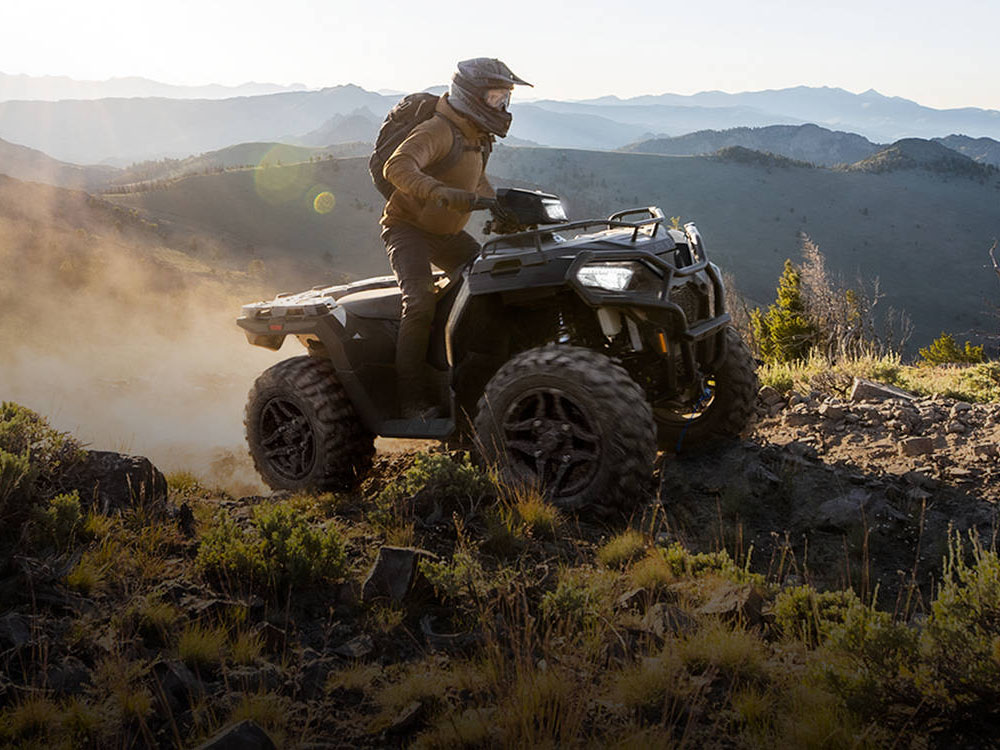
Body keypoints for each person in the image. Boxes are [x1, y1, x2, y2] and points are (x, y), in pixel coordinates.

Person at [380, 58, 531, 419]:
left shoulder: (478, 136)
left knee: (493, 284)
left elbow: (475, 182)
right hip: (408, 229)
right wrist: (436, 191)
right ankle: (411, 400)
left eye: (505, 100)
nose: (502, 107)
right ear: (472, 96)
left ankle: (482, 381)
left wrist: (502, 207)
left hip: (447, 234)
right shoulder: (438, 130)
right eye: (496, 98)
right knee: (419, 303)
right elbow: (396, 167)